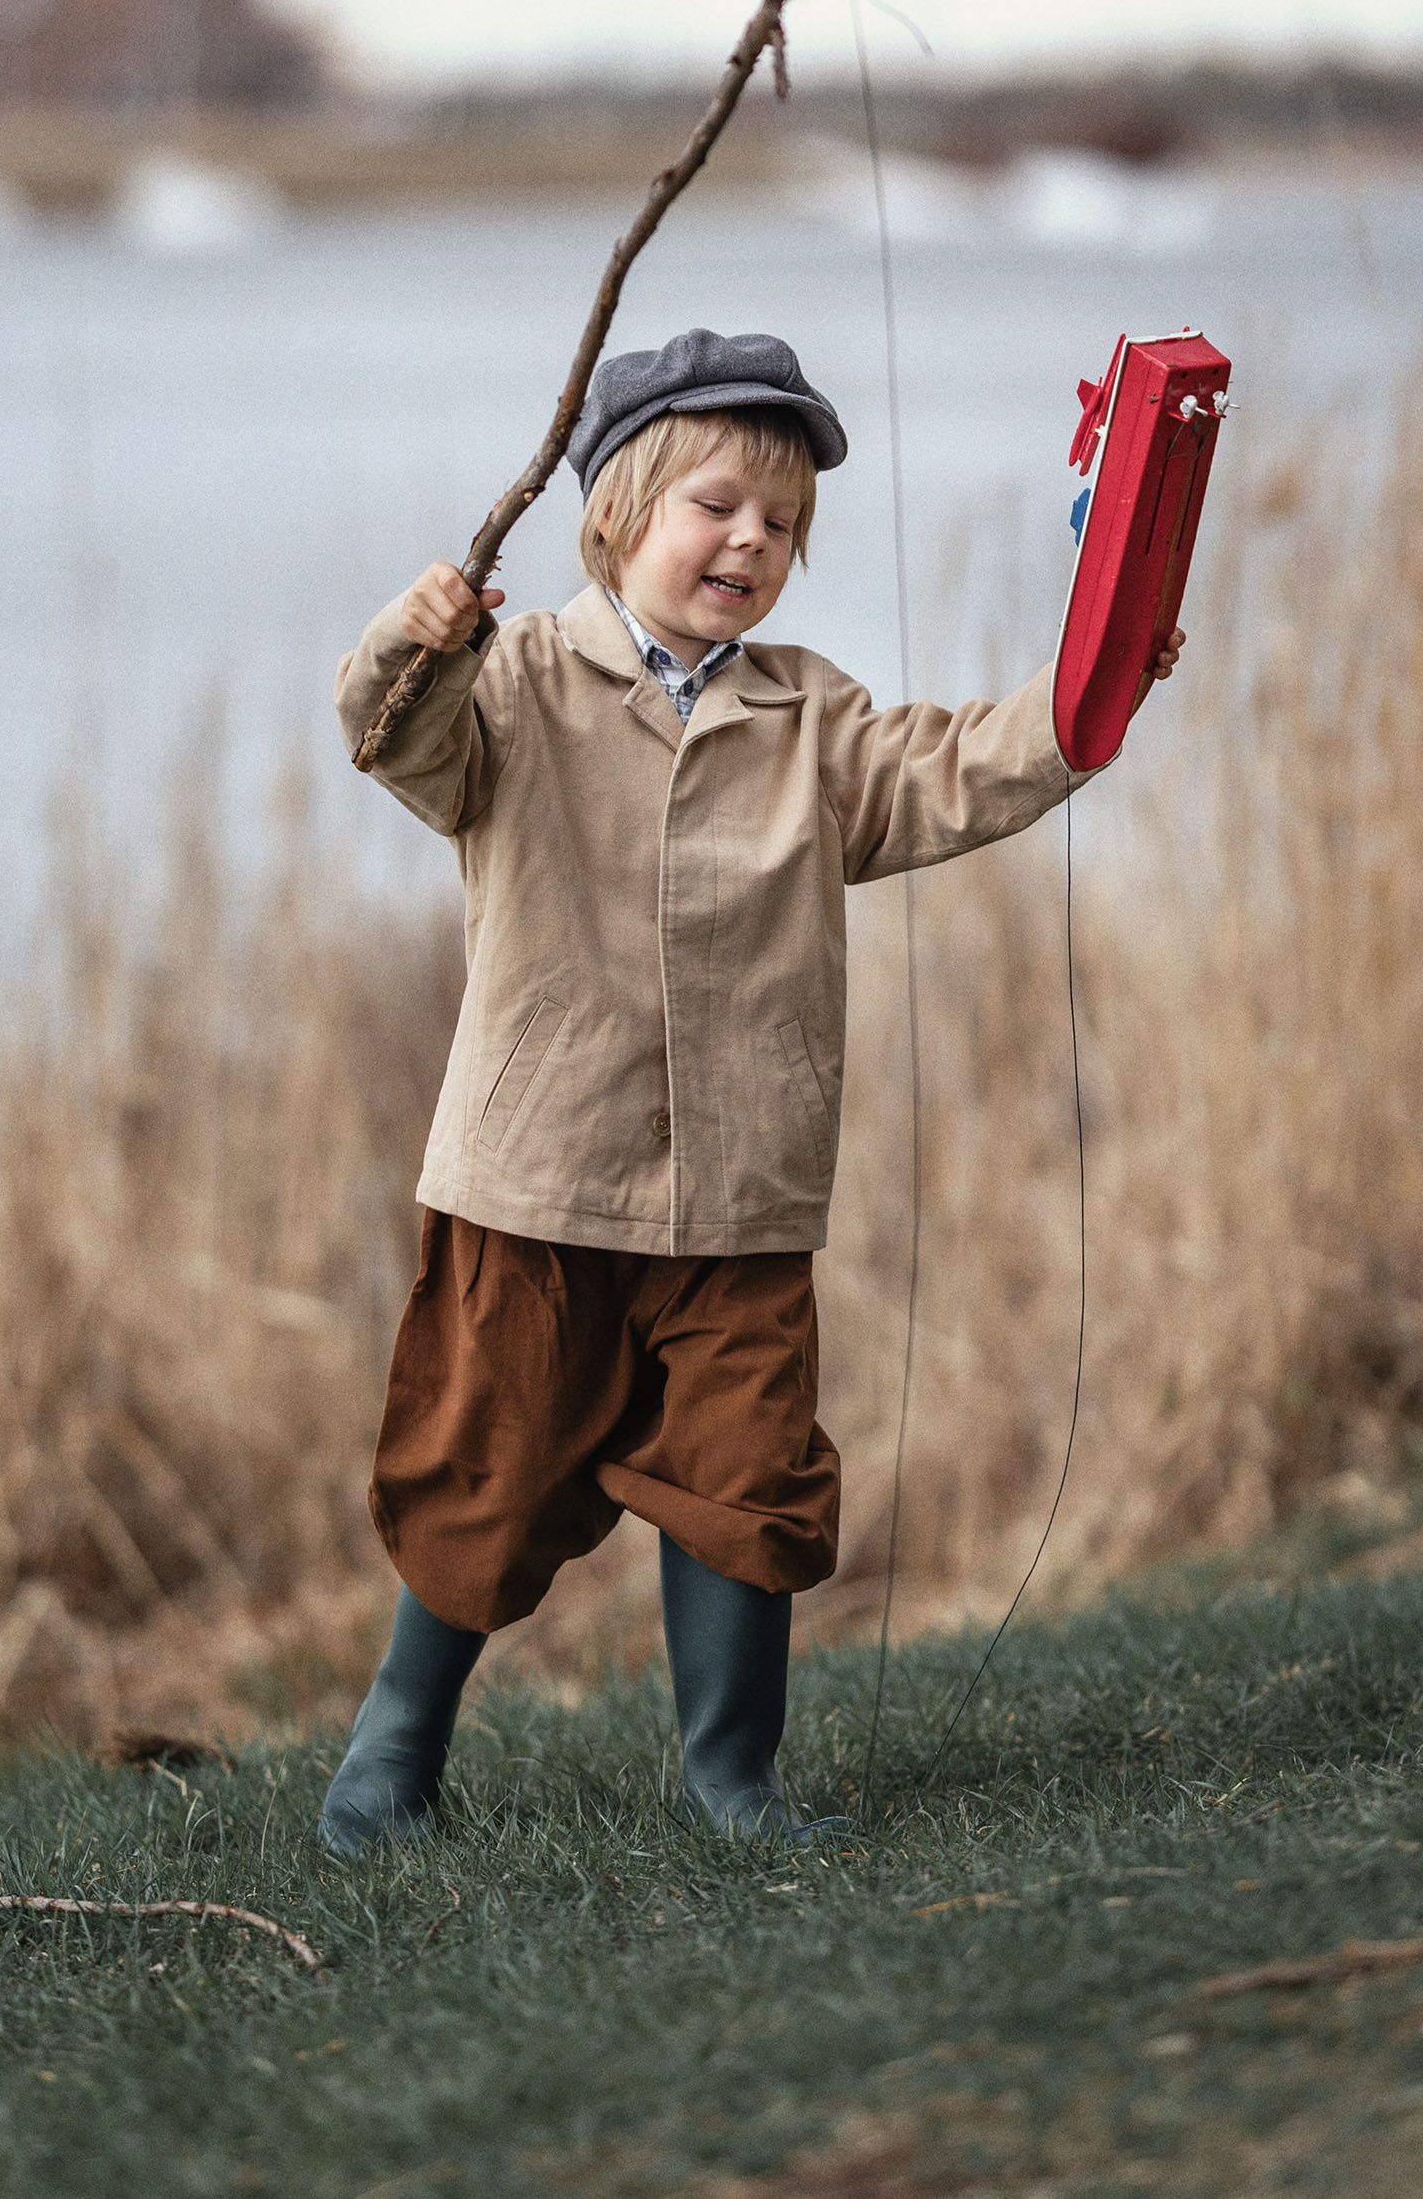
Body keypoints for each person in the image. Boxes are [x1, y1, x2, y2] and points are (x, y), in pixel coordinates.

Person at [321, 326, 1181, 1855]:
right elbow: (391, 738)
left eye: (782, 523)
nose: (751, 542)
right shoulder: (514, 687)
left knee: (749, 1474)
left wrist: (1082, 700)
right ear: (614, 513)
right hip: (539, 1182)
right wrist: (420, 633)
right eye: (717, 506)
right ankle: (389, 1760)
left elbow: (951, 770)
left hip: (744, 1193)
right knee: (485, 1474)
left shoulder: (811, 719)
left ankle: (734, 1781)